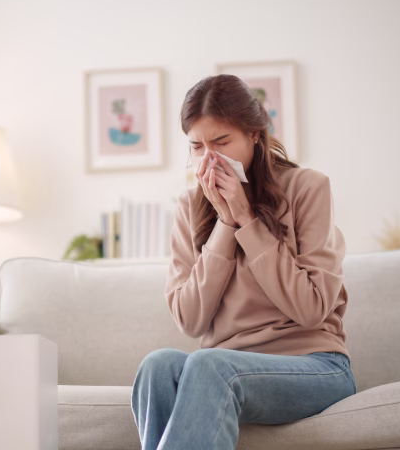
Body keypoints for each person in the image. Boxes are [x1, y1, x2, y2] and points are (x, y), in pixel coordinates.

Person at [131, 74, 356, 450]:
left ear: (255, 134)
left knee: (209, 365)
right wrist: (225, 223)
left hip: (315, 365)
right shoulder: (190, 207)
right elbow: (190, 320)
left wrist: (248, 220)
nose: (210, 158)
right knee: (158, 366)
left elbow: (312, 308)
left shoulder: (307, 188)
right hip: (226, 366)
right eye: (197, 147)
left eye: (222, 142)